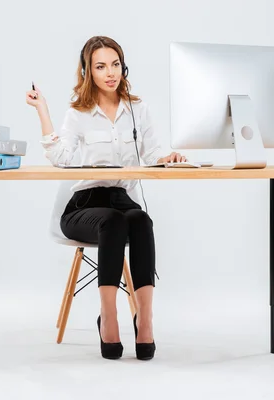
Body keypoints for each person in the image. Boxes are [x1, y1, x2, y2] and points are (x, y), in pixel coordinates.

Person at [26, 36, 186, 360]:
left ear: (123, 66)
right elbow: (60, 156)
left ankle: (145, 319)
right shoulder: (79, 113)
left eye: (115, 64)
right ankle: (109, 316)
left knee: (139, 218)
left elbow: (152, 153)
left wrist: (169, 157)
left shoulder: (138, 109)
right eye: (101, 66)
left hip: (122, 198)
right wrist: (42, 110)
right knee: (113, 222)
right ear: (88, 72)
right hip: (84, 205)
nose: (110, 73)